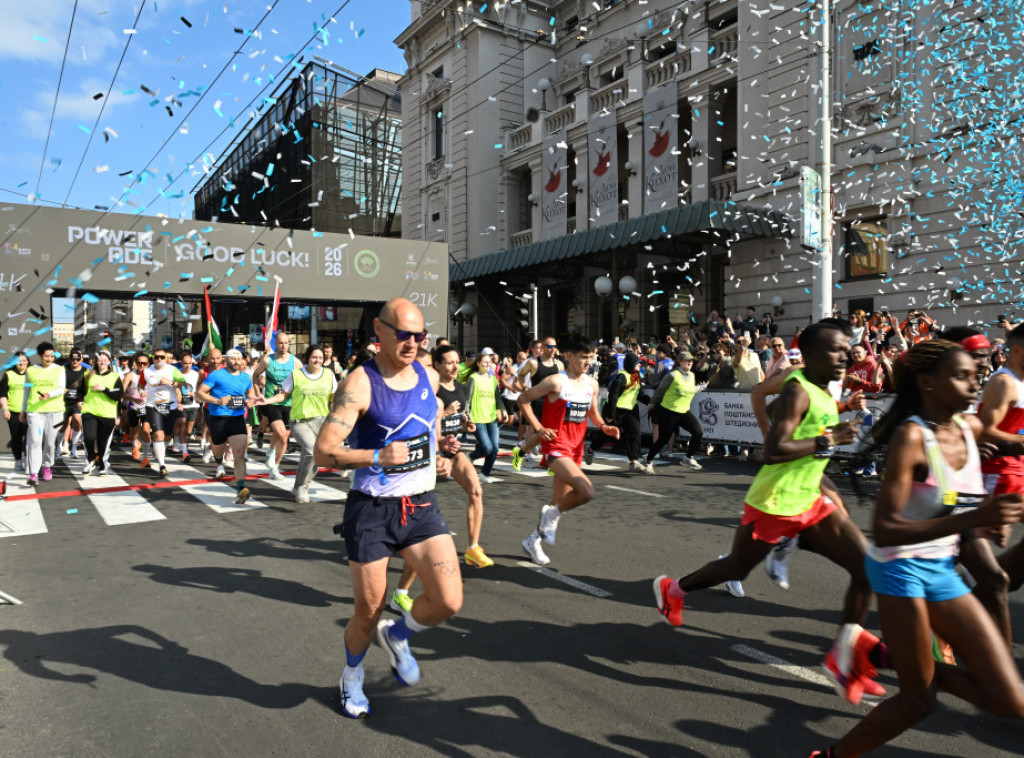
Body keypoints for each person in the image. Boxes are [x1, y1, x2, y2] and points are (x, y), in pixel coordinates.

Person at [653, 321, 889, 704]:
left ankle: (844, 655)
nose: (845, 356)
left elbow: (799, 420)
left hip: (809, 500)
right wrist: (828, 438)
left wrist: (842, 410)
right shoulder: (798, 389)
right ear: (810, 356)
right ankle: (673, 589)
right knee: (734, 569)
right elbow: (775, 450)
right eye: (836, 350)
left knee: (867, 568)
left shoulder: (820, 390)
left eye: (848, 349)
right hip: (775, 503)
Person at [814, 340, 1024, 757]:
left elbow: (1014, 442)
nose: (975, 381)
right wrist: (974, 518)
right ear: (928, 382)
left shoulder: (970, 426)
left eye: (975, 374)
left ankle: (878, 653)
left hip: (940, 569)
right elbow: (887, 530)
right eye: (962, 375)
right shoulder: (911, 437)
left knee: (1010, 700)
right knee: (917, 702)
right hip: (899, 569)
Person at [312, 298, 461, 720]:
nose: (413, 343)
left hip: (420, 505)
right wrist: (377, 456)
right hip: (372, 508)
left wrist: (440, 451)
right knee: (368, 609)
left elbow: (427, 421)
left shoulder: (427, 375)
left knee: (449, 600)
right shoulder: (360, 384)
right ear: (379, 330)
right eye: (403, 334)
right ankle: (352, 676)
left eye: (420, 336)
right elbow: (325, 451)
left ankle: (397, 635)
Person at [518, 334, 620, 566]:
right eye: (584, 357)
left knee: (557, 501)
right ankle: (549, 518)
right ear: (569, 356)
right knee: (586, 492)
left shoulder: (591, 384)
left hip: (575, 448)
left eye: (591, 358)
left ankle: (532, 541)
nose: (588, 362)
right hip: (556, 446)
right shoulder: (555, 382)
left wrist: (604, 426)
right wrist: (539, 428)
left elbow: (592, 411)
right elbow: (523, 399)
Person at [260, 344, 337, 503]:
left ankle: (298, 485)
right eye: (314, 357)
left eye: (320, 357)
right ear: (307, 358)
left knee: (310, 456)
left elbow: (334, 398)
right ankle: (303, 486)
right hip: (299, 421)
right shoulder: (296, 374)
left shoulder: (329, 374)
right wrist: (266, 400)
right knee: (311, 450)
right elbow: (282, 395)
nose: (317, 360)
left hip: (321, 421)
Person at [195, 348, 257, 504]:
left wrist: (250, 400)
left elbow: (250, 394)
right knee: (218, 450)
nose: (236, 361)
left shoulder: (246, 377)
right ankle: (217, 458)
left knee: (239, 455)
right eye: (233, 359)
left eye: (239, 359)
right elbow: (199, 393)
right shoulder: (216, 375)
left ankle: (241, 488)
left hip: (236, 419)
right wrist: (216, 401)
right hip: (218, 419)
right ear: (226, 360)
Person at [586, 351, 646, 472]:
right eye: (638, 363)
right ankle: (590, 450)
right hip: (617, 410)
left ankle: (633, 461)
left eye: (640, 363)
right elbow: (613, 396)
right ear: (631, 363)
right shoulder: (622, 377)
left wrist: (653, 402)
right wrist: (610, 415)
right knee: (606, 434)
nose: (640, 365)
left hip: (631, 411)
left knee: (635, 433)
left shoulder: (637, 377)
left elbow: (640, 395)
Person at [644, 350, 704, 471]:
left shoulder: (692, 375)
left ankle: (688, 457)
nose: (690, 362)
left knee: (698, 433)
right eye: (687, 360)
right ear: (680, 361)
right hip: (669, 411)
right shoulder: (672, 375)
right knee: (663, 440)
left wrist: (703, 386)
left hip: (683, 411)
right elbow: (660, 390)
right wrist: (653, 402)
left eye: (691, 360)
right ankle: (648, 461)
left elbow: (691, 389)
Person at [511, 336, 564, 471]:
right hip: (537, 401)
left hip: (553, 403)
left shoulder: (559, 364)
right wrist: (524, 388)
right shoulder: (533, 363)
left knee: (551, 433)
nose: (553, 350)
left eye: (555, 347)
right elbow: (520, 376)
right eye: (550, 347)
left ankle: (549, 459)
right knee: (533, 431)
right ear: (543, 347)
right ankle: (525, 455)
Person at [252, 332, 295, 481]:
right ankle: (270, 455)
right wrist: (258, 392)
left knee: (282, 438)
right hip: (271, 402)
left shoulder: (295, 362)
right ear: (275, 344)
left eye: (286, 343)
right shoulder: (268, 360)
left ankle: (274, 464)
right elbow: (255, 375)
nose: (283, 346)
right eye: (280, 343)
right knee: (281, 433)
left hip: (289, 403)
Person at [21, 342, 65, 485]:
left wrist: (49, 394)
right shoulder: (31, 370)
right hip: (35, 411)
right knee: (34, 440)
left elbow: (61, 388)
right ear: (40, 356)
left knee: (50, 442)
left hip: (55, 411)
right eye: (47, 356)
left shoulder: (59, 369)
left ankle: (46, 466)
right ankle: (33, 473)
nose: (50, 358)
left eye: (52, 356)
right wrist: (23, 409)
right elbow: (26, 391)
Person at [142, 349, 186, 478]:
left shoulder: (172, 370)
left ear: (166, 358)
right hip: (153, 406)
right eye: (156, 357)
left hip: (170, 407)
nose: (159, 359)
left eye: (162, 357)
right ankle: (162, 465)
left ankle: (159, 451)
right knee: (158, 434)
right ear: (153, 358)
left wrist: (171, 383)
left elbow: (184, 385)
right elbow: (140, 385)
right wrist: (141, 392)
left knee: (168, 435)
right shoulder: (147, 371)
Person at [466, 349, 507, 483]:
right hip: (477, 418)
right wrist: (468, 416)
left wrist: (503, 410)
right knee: (487, 448)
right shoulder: (473, 378)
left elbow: (498, 398)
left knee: (494, 448)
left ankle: (484, 474)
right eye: (484, 362)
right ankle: (470, 456)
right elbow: (467, 400)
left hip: (491, 418)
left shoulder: (493, 380)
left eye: (489, 363)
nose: (487, 365)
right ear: (478, 363)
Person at [80, 351, 124, 476]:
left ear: (109, 361)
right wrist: (79, 401)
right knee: (88, 437)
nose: (102, 361)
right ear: (95, 361)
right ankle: (90, 459)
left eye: (105, 359)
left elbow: (119, 395)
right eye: (100, 359)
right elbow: (80, 391)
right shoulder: (88, 375)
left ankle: (103, 464)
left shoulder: (114, 377)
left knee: (102, 442)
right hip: (90, 410)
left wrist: (104, 389)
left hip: (107, 413)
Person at [0, 353, 30, 471]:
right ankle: (18, 460)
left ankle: (28, 460)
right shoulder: (8, 375)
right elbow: (2, 394)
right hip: (13, 412)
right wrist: (5, 409)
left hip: (30, 412)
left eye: (24, 360)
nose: (21, 363)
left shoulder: (32, 374)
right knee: (16, 438)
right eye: (18, 361)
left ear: (28, 362)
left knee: (30, 438)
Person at [174, 352, 201, 463]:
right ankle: (185, 452)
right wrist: (178, 400)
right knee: (183, 426)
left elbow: (200, 389)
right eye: (185, 363)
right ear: (181, 363)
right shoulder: (178, 374)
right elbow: (175, 388)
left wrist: (195, 395)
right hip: (182, 405)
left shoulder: (196, 374)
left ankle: (180, 440)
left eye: (190, 363)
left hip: (194, 405)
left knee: (189, 431)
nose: (188, 365)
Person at [60, 348, 87, 459]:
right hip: (64, 401)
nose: (74, 361)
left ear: (81, 359)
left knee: (77, 422)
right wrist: (62, 390)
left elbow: (87, 388)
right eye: (72, 359)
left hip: (78, 401)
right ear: (69, 359)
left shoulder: (85, 371)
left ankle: (74, 448)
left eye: (77, 359)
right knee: (64, 423)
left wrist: (84, 401)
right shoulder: (63, 369)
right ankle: (64, 445)